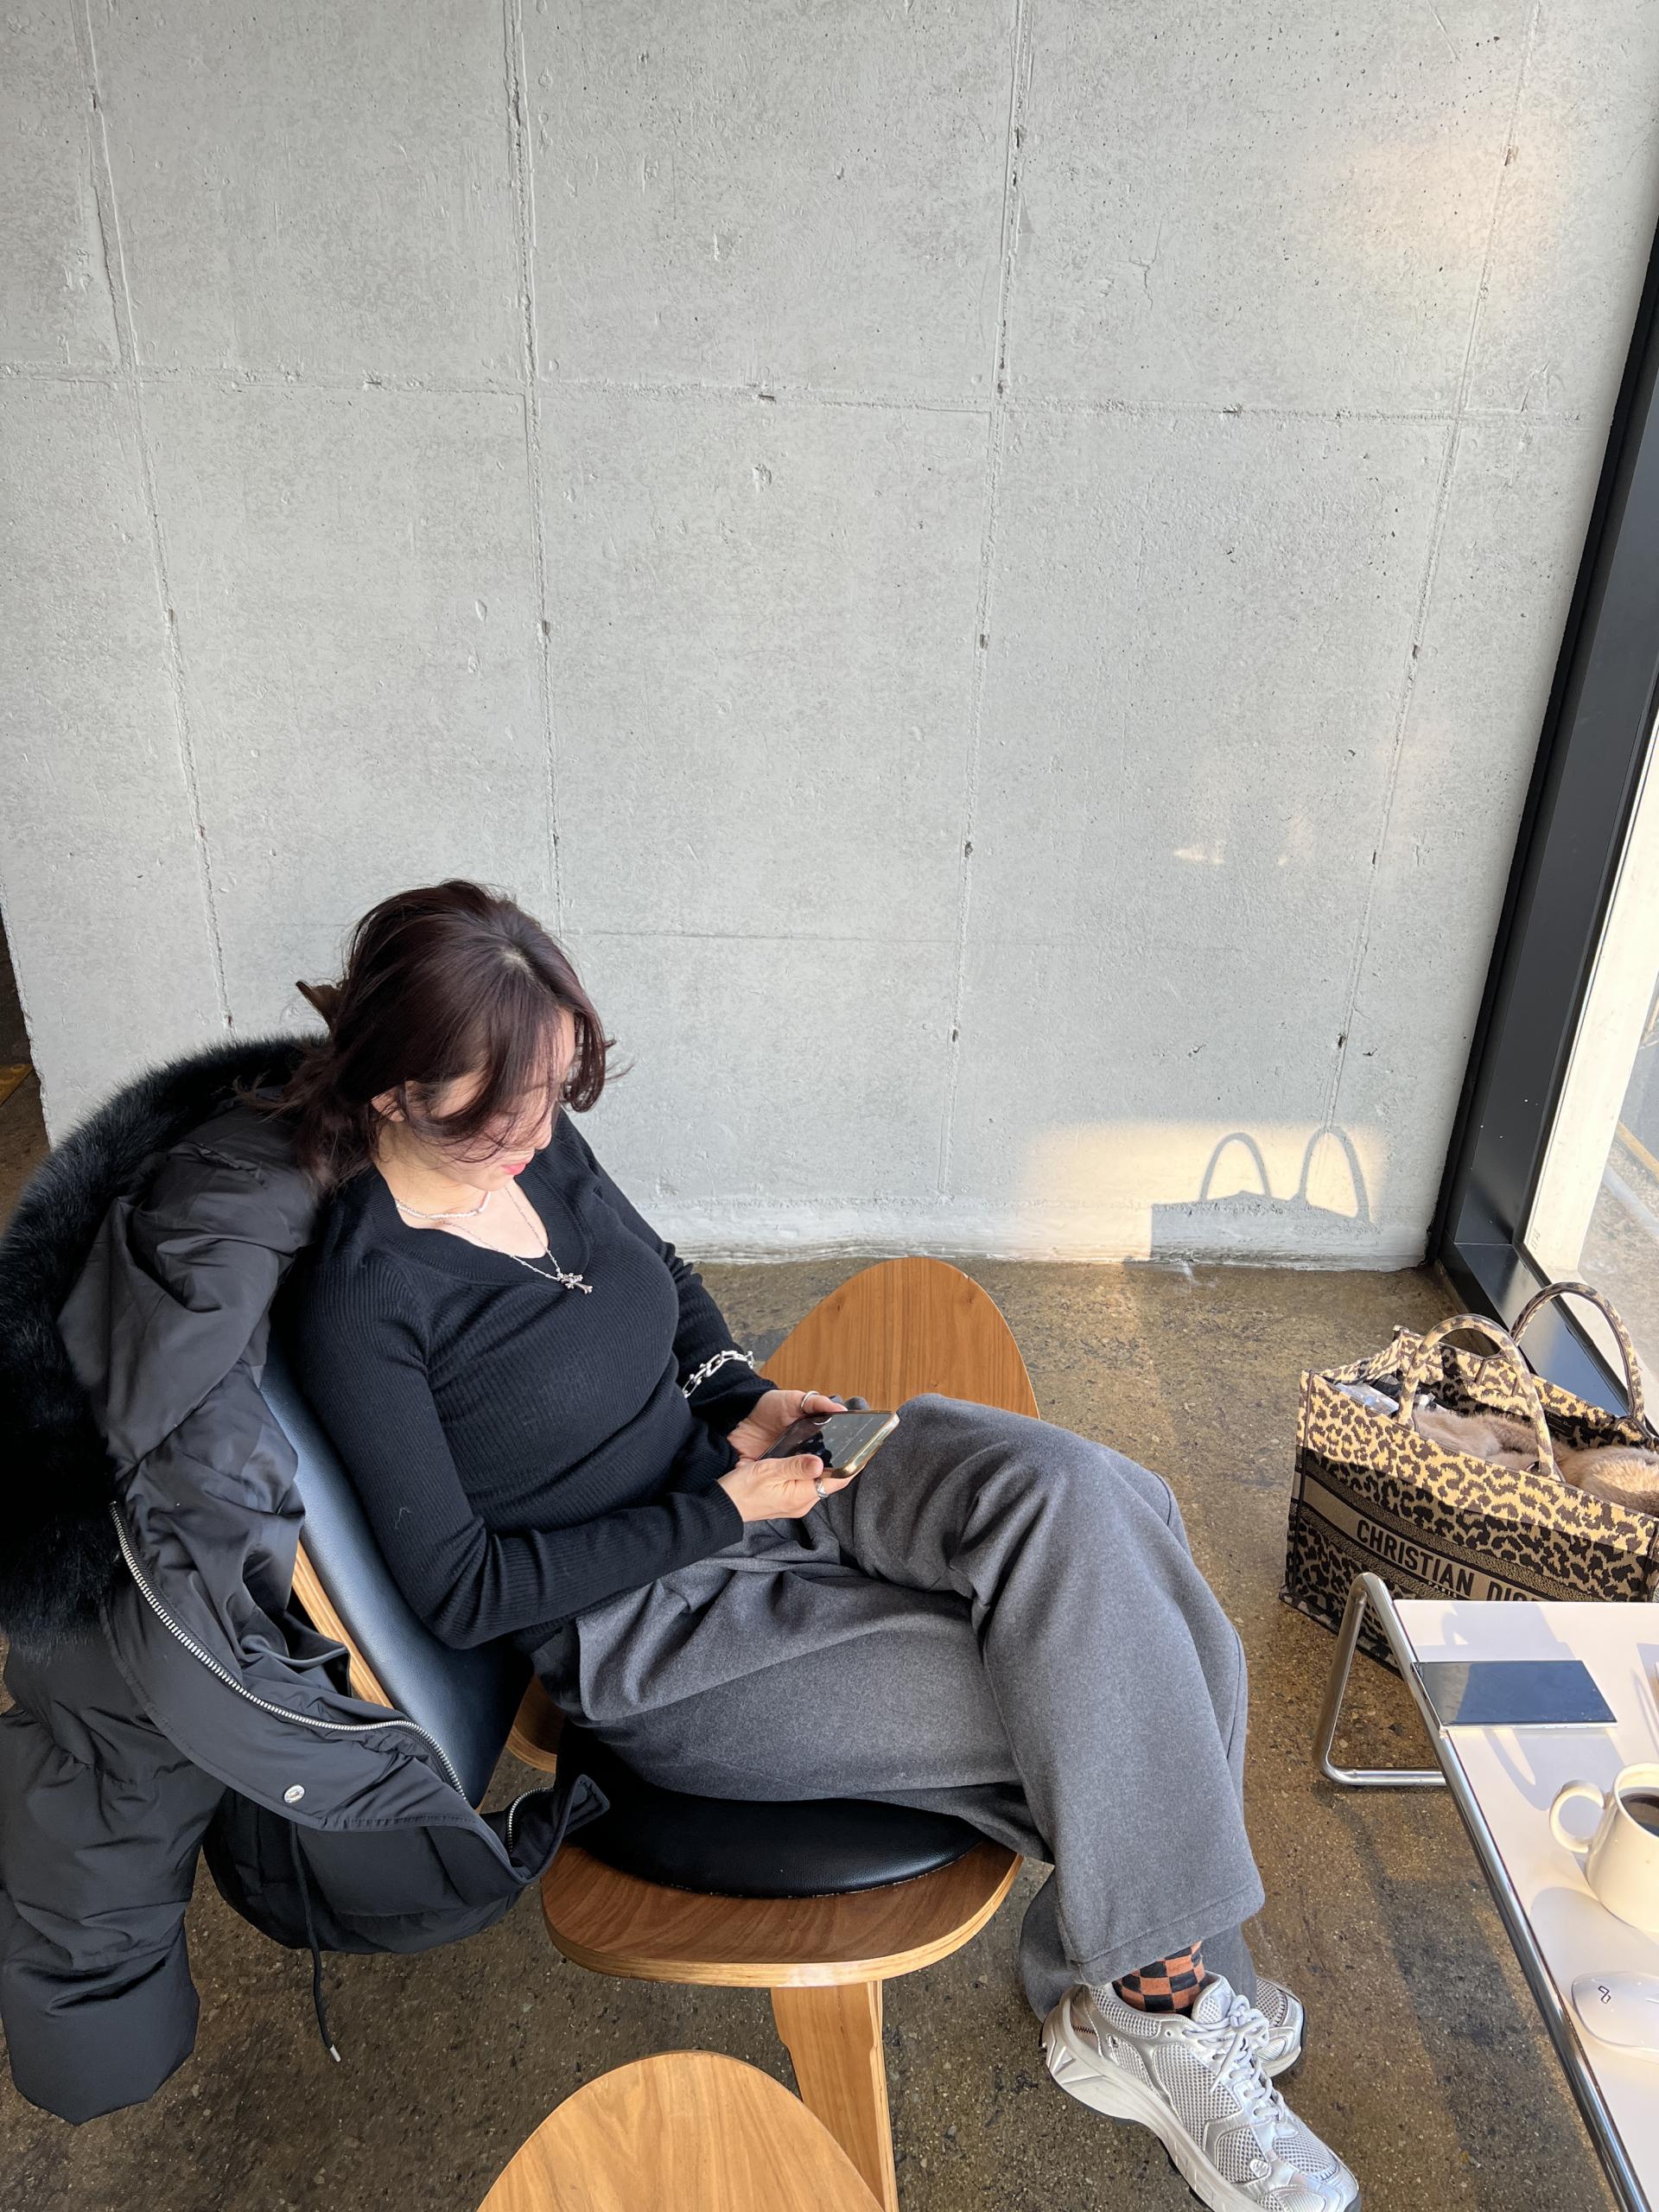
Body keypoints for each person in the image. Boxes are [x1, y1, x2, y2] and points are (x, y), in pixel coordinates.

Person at [264, 879, 1359, 2212]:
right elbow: (460, 1590)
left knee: (1103, 1504)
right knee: (1108, 1664)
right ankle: (1166, 1999)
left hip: (753, 1473)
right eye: (501, 1115)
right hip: (656, 1630)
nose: (538, 1132)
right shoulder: (365, 1298)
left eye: (553, 1092)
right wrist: (722, 1512)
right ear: (393, 1092)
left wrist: (735, 1392)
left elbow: (662, 1279)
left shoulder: (532, 1141)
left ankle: (1138, 1987)